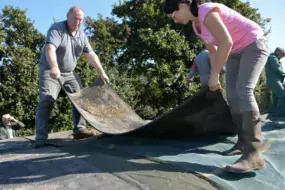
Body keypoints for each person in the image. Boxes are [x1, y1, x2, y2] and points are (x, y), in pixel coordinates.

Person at [163, 0, 269, 173]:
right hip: (235, 52)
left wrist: (213, 75)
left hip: (253, 43)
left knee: (244, 90)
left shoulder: (206, 10)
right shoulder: (196, 27)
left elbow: (225, 42)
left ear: (182, 5)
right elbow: (213, 51)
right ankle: (242, 143)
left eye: (174, 16)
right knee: (232, 95)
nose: (175, 21)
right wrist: (216, 76)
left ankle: (254, 154)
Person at [34, 6, 109, 148]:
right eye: (75, 18)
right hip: (50, 69)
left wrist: (101, 72)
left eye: (81, 20)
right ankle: (40, 137)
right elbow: (50, 49)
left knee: (80, 97)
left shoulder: (82, 35)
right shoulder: (57, 29)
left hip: (69, 73)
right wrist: (54, 67)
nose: (78, 22)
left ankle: (80, 129)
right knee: (47, 99)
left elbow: (90, 54)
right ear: (68, 16)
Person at [265, 47, 285, 117]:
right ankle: (281, 114)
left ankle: (277, 113)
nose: (283, 55)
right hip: (274, 80)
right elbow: (277, 68)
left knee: (276, 97)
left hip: (274, 80)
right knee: (283, 95)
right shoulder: (273, 58)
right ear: (278, 52)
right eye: (283, 53)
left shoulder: (274, 58)